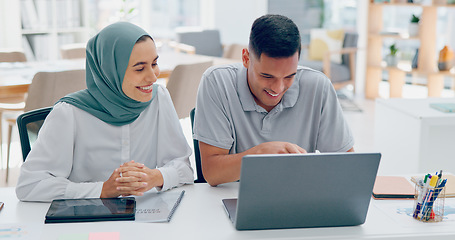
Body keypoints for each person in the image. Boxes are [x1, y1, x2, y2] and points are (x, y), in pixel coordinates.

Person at [16, 22, 194, 202]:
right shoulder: (69, 113)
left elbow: (184, 167)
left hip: (144, 216)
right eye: (140, 68)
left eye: (154, 63)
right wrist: (102, 190)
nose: (153, 76)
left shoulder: (159, 98)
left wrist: (156, 177)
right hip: (85, 219)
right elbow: (29, 185)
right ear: (110, 70)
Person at [193, 14, 354, 186]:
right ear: (246, 59)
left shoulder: (318, 86)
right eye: (267, 76)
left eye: (289, 76)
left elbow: (347, 166)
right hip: (236, 196)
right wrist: (260, 154)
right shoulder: (217, 82)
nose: (278, 88)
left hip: (300, 196)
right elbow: (212, 172)